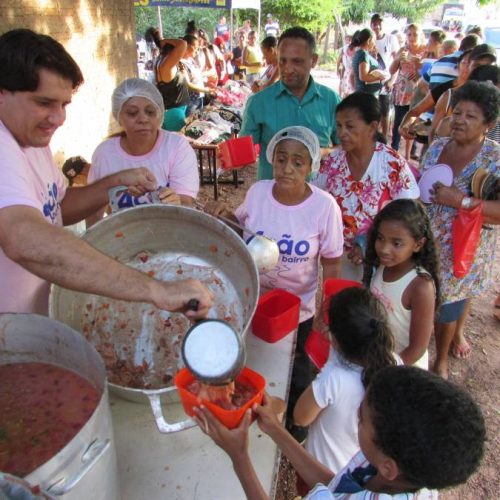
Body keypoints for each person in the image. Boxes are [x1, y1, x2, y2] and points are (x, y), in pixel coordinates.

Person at [0, 29, 212, 317]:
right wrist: (156, 290)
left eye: (63, 105)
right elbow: (22, 236)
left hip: (32, 317)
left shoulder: (32, 140)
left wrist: (118, 180)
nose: (59, 118)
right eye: (44, 103)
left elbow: (58, 207)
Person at [205, 126, 344, 442]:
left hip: (300, 309)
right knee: (254, 357)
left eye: (298, 162)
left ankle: (296, 425)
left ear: (311, 167)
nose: (287, 169)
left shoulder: (324, 207)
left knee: (298, 369)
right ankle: (252, 407)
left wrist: (327, 308)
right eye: (281, 159)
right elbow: (240, 228)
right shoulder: (258, 193)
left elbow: (332, 261)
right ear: (271, 161)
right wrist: (224, 213)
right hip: (255, 298)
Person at [194, 365, 486, 499]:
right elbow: (337, 486)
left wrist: (240, 456)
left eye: (361, 418)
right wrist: (276, 430)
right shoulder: (398, 470)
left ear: (388, 466)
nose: (356, 414)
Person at [422, 81, 500, 378]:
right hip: (428, 240)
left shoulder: (494, 158)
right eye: (457, 113)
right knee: (425, 297)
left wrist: (462, 200)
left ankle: (440, 360)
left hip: (463, 248)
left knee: (449, 307)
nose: (459, 121)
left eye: (470, 116)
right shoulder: (438, 147)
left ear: (488, 124)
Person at [313, 93, 419, 281]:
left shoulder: (391, 163)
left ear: (372, 127)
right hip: (339, 256)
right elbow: (315, 200)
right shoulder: (332, 163)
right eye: (338, 125)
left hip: (381, 258)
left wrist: (368, 243)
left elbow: (409, 212)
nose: (342, 132)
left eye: (350, 126)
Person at [293, 288, 396, 478]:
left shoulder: (334, 378)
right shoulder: (395, 363)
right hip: (360, 470)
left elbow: (301, 417)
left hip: (321, 472)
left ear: (334, 335)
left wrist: (332, 361)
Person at [87, 78, 199, 222]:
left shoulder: (176, 148)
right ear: (118, 117)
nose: (143, 119)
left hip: (170, 233)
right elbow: (94, 209)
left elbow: (187, 202)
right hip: (122, 237)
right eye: (132, 113)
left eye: (150, 112)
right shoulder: (105, 154)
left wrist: (176, 200)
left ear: (159, 115)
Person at [240, 27, 341, 180]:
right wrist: (227, 157)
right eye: (283, 61)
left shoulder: (331, 100)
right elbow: (242, 153)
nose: (288, 69)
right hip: (272, 198)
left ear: (313, 60)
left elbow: (346, 147)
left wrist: (324, 153)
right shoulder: (258, 102)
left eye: (296, 61)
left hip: (317, 196)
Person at [364, 199, 439, 369]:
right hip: (378, 356)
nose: (384, 249)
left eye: (396, 243)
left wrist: (386, 370)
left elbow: (417, 348)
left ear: (418, 244)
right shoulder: (384, 265)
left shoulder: (420, 286)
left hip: (403, 368)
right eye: (380, 238)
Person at [399, 49, 473, 142]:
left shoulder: (478, 92)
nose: (468, 67)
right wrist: (404, 125)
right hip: (440, 142)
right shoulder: (445, 90)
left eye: (472, 63)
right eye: (465, 62)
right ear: (457, 66)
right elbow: (416, 111)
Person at [389, 24, 427, 157]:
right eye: (409, 34)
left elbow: (426, 74)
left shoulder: (425, 51)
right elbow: (392, 70)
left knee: (415, 121)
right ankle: (393, 148)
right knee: (399, 120)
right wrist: (398, 59)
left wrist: (417, 67)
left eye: (415, 34)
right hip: (402, 91)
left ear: (420, 35)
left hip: (418, 91)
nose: (411, 37)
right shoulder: (403, 50)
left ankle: (410, 153)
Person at [145, 28, 190, 132]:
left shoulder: (160, 63)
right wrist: (163, 41)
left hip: (171, 112)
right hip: (174, 114)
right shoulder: (165, 65)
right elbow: (183, 44)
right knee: (176, 146)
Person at [370, 14, 400, 137]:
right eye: (374, 22)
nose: (377, 25)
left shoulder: (391, 39)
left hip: (385, 80)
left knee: (384, 110)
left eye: (379, 22)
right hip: (371, 81)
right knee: (371, 110)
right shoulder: (369, 40)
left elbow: (397, 60)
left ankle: (384, 137)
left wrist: (392, 80)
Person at [181, 34, 217, 117]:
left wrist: (208, 86)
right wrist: (206, 90)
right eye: (196, 47)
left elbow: (197, 77)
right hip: (191, 100)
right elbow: (188, 85)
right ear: (189, 46)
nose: (197, 50)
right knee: (190, 124)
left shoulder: (191, 60)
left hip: (200, 97)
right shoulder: (181, 63)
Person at [351, 29, 389, 97]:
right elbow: (363, 77)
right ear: (369, 40)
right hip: (367, 96)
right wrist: (379, 77)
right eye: (374, 41)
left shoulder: (358, 53)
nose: (374, 44)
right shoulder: (363, 54)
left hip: (364, 94)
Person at [337, 34, 355, 99]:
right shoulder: (346, 48)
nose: (348, 41)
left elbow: (339, 61)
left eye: (350, 39)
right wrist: (338, 69)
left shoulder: (345, 48)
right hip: (349, 72)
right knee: (348, 92)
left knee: (346, 90)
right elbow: (339, 60)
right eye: (347, 39)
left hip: (347, 72)